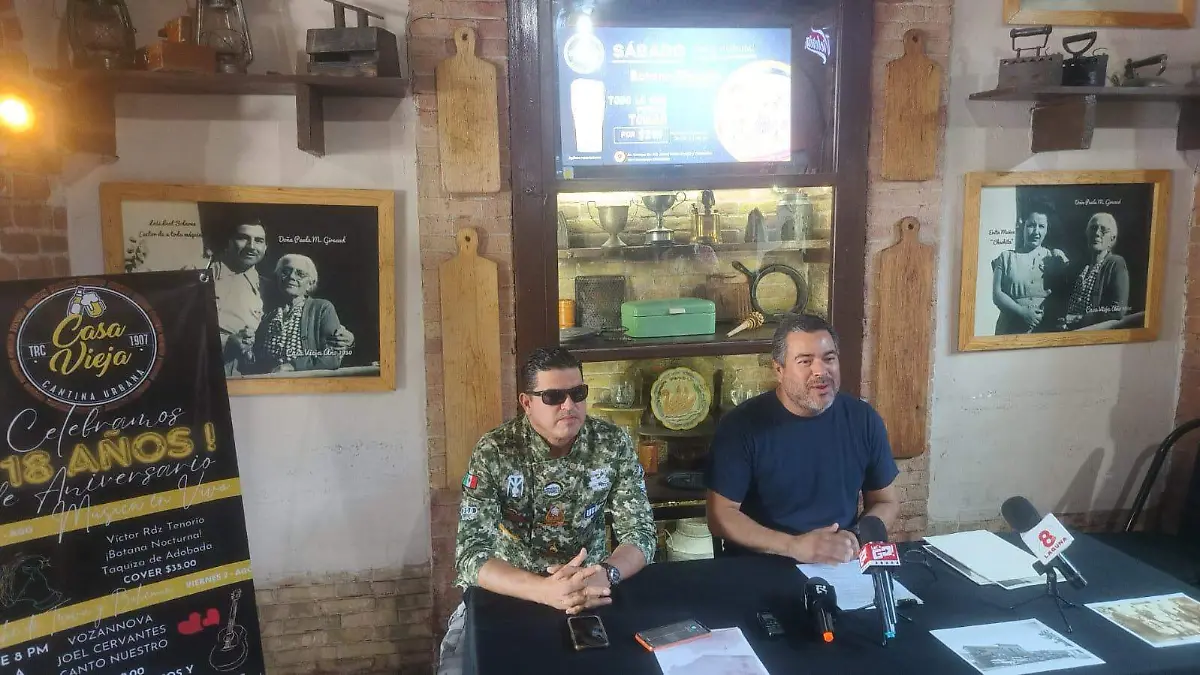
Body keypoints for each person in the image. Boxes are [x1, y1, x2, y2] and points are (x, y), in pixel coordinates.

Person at [438, 347, 655, 675]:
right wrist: (544, 590)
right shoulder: (495, 451)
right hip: (514, 595)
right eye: (553, 396)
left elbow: (640, 533)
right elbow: (471, 555)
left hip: (591, 593)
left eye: (578, 393)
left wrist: (607, 573)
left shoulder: (611, 444)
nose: (569, 405)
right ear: (527, 403)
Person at [705, 313, 900, 565]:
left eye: (829, 358)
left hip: (839, 563)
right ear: (779, 369)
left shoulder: (863, 419)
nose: (820, 371)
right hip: (762, 565)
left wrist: (855, 537)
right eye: (805, 361)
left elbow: (886, 501)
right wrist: (793, 546)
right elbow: (720, 516)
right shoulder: (741, 426)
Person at [207, 220, 354, 375]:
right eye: (243, 238)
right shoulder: (205, 275)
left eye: (259, 240)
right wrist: (228, 342)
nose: (291, 277)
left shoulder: (268, 289)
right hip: (215, 365)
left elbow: (333, 345)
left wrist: (347, 339)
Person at [252, 254, 346, 373]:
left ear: (310, 284)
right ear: (278, 277)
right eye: (285, 271)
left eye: (300, 274)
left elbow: (333, 356)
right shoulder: (266, 310)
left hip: (305, 380)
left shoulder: (322, 308)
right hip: (269, 380)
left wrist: (292, 366)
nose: (291, 276)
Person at [991, 207, 1070, 335]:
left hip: (1044, 328)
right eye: (1031, 225)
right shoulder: (1006, 258)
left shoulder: (1053, 257)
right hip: (1011, 327)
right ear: (1022, 225)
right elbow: (997, 295)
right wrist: (1022, 312)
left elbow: (1064, 294)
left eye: (1041, 226)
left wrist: (1063, 263)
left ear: (1047, 230)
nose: (1036, 231)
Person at [1058, 212, 1130, 331]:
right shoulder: (1081, 266)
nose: (1097, 233)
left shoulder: (1115, 263)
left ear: (1112, 239)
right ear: (1087, 234)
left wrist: (1078, 319)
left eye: (1103, 230)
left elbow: (1118, 310)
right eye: (1093, 228)